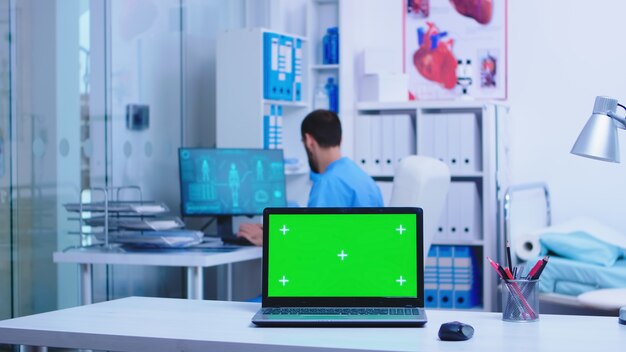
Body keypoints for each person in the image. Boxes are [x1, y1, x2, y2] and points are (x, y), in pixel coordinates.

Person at [237, 109, 384, 246]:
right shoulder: (362, 178)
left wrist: (268, 239)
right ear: (340, 139)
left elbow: (316, 244)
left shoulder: (328, 183)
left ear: (309, 141)